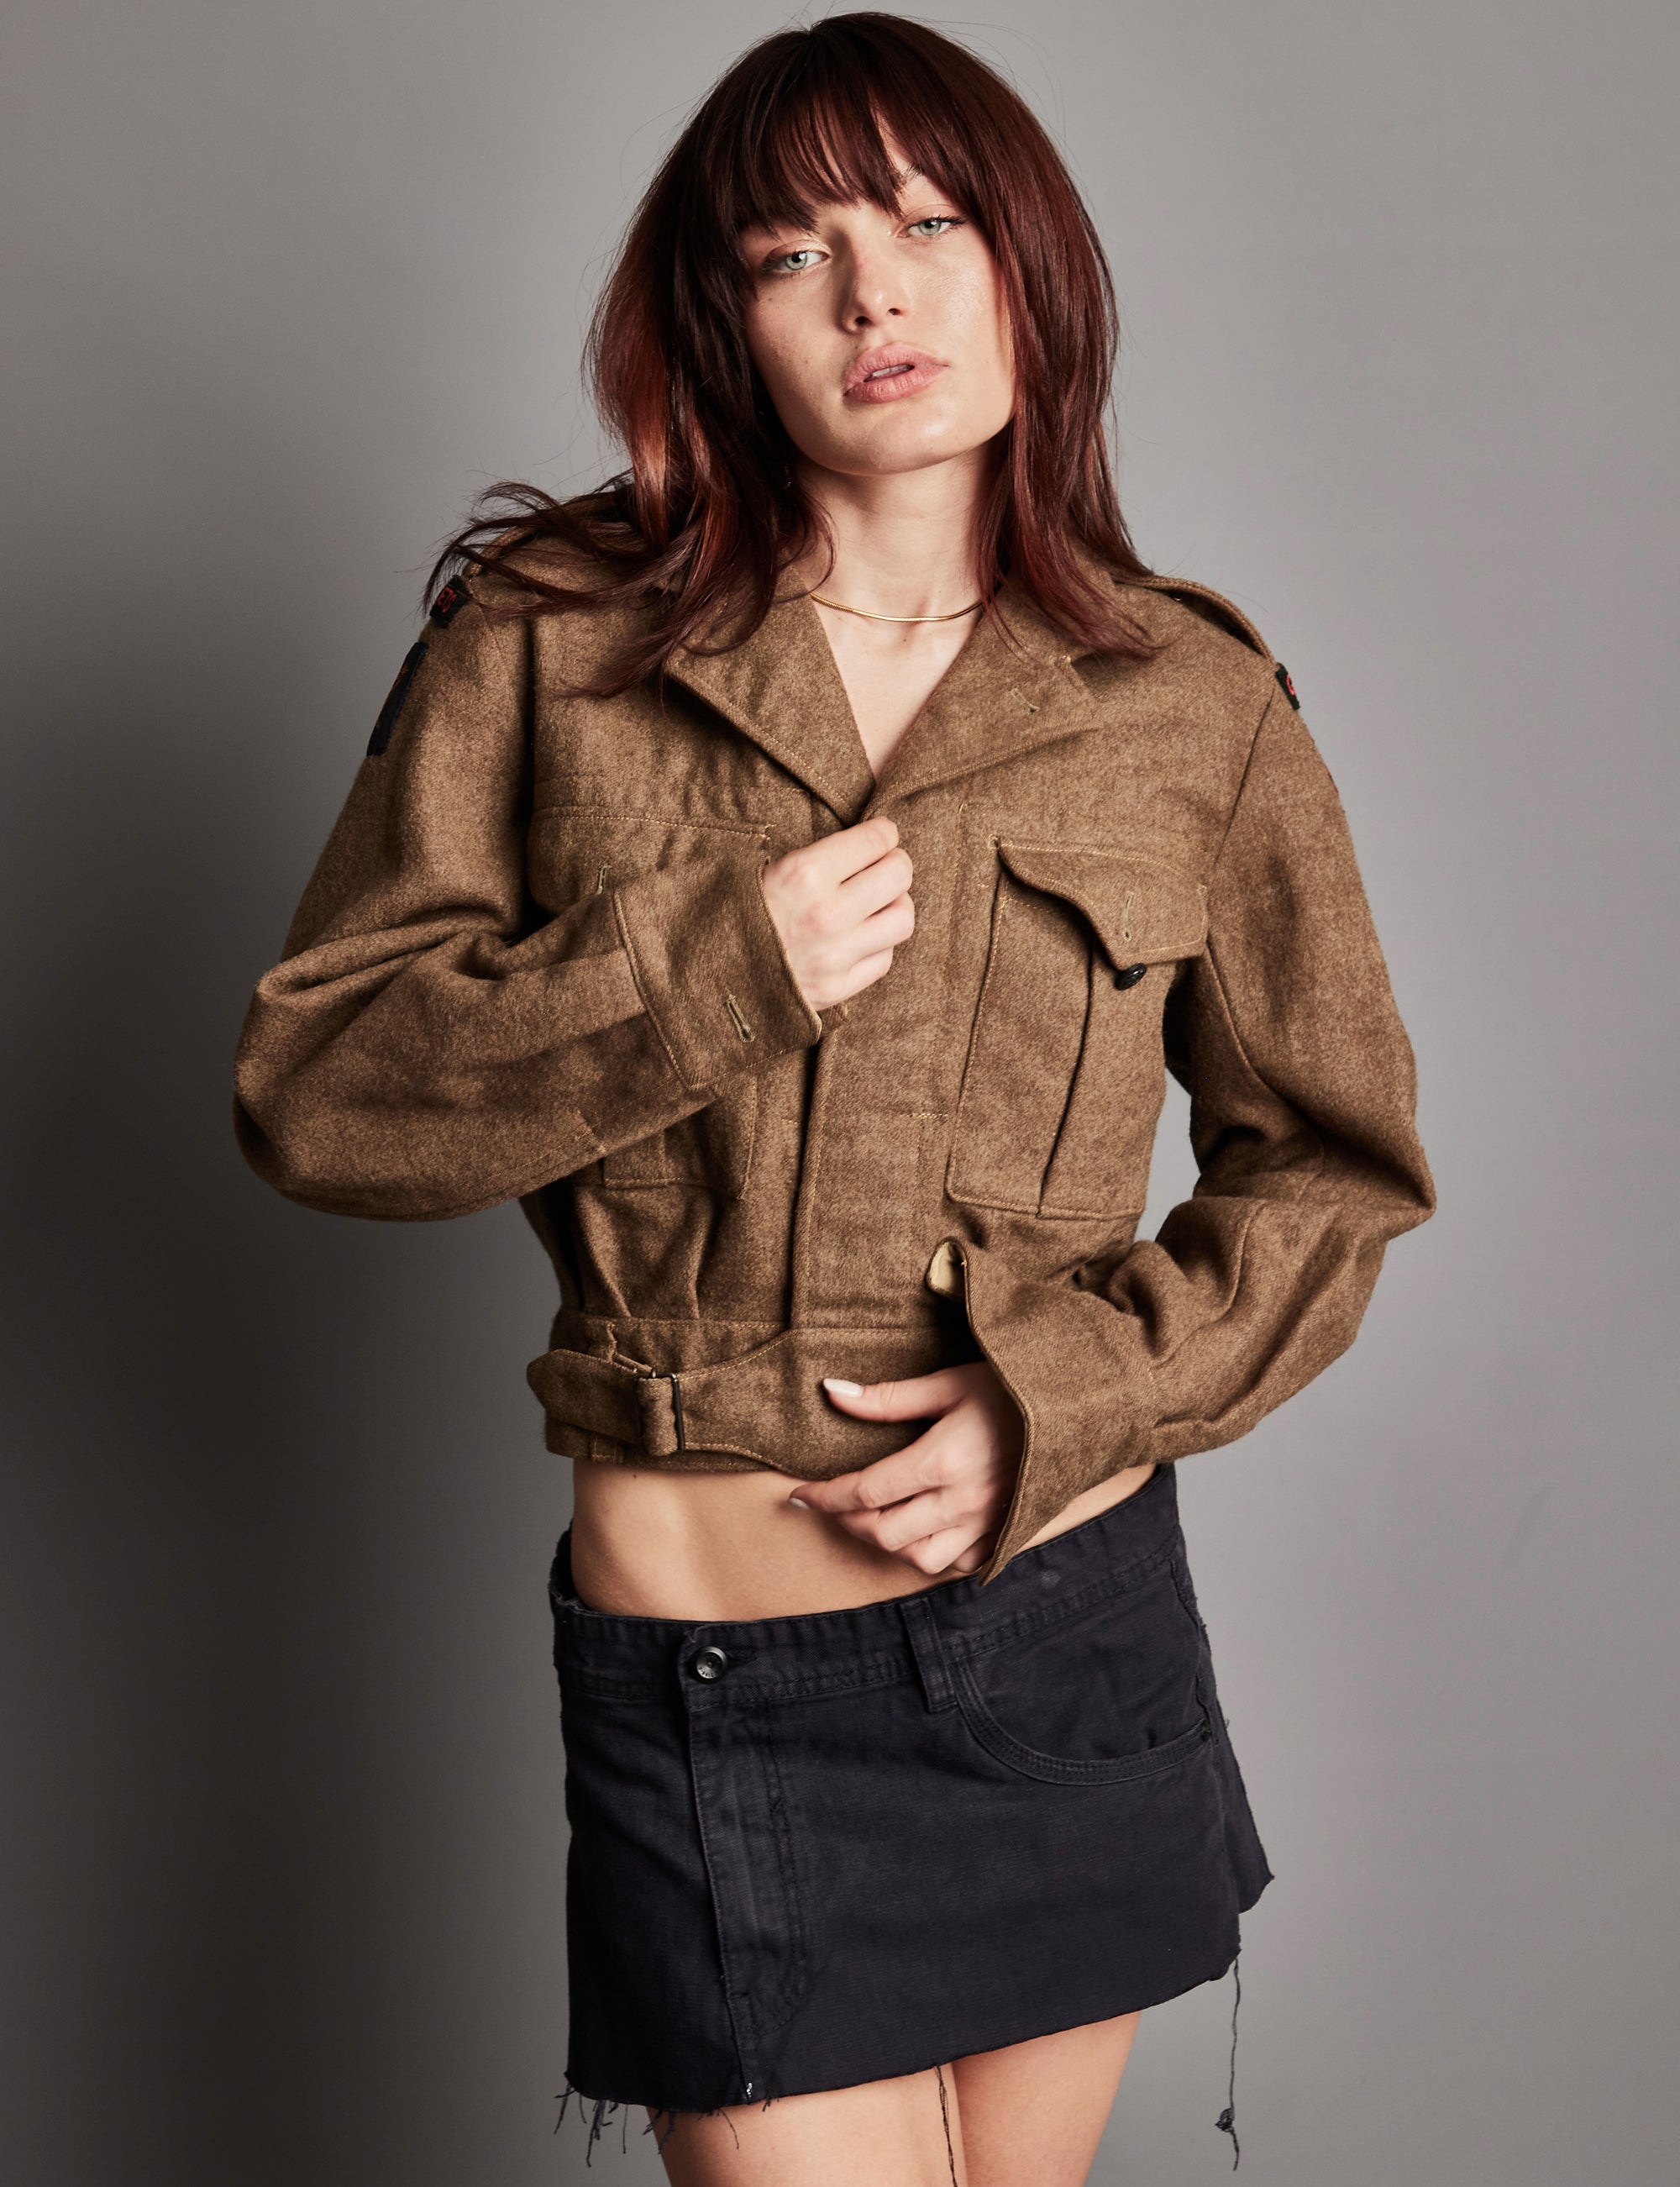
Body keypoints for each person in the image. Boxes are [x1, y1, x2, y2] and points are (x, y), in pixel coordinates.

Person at [233, 14, 1434, 2184]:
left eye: (930, 222)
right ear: (727, 326)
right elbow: (317, 1088)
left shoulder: (1192, 702)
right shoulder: (554, 643)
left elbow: (1334, 1176)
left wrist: (1059, 1400)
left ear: (1028, 266)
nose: (876, 293)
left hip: (1058, 1645)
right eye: (794, 254)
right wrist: (709, 971)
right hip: (713, 1676)